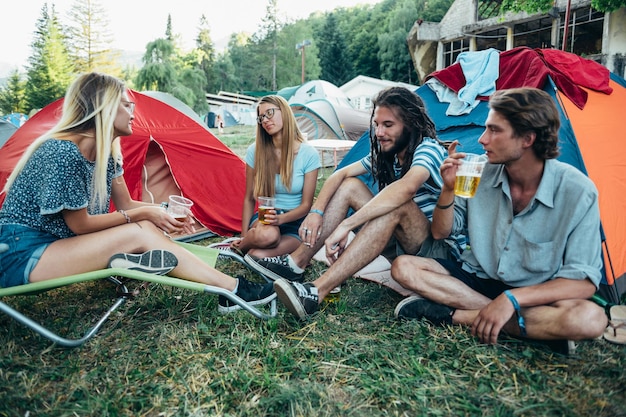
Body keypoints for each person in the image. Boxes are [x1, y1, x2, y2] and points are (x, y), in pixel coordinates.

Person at [0, 72, 275, 314]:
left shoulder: (107, 155)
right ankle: (233, 290)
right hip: (23, 254)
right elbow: (80, 225)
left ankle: (141, 261)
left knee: (143, 225)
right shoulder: (61, 152)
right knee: (137, 229)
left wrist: (162, 214)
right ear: (103, 107)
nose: (133, 110)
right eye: (126, 103)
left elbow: (127, 204)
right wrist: (146, 212)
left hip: (58, 245)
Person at [390, 87, 608, 350]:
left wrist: (512, 299)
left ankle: (455, 316)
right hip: (479, 277)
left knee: (591, 319)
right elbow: (441, 232)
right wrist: (448, 189)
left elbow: (583, 281)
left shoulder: (578, 192)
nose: (482, 139)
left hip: (534, 292)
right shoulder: (479, 172)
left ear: (527, 138)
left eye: (494, 130)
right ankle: (530, 328)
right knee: (403, 267)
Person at [245, 86, 465, 320]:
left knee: (398, 202)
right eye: (377, 124)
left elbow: (406, 188)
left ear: (410, 124)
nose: (379, 132)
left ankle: (315, 291)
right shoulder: (387, 154)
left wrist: (347, 225)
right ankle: (296, 263)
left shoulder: (427, 149)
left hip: (440, 251)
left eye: (388, 125)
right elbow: (338, 175)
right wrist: (316, 212)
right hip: (407, 242)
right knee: (350, 185)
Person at [211, 95, 320, 260]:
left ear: (284, 112)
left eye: (270, 113)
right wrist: (243, 235)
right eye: (261, 117)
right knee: (267, 237)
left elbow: (306, 205)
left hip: (295, 222)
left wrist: (281, 219)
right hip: (266, 218)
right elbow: (249, 198)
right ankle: (239, 247)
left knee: (256, 256)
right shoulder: (255, 151)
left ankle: (246, 249)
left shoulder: (309, 154)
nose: (265, 120)